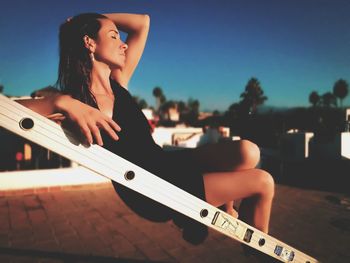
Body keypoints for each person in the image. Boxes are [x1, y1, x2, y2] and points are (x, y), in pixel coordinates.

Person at [18, 13, 274, 247]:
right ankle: (256, 249)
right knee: (263, 181)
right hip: (151, 188)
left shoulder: (118, 82)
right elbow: (9, 109)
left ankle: (222, 208)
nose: (124, 43)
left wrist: (91, 19)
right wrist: (59, 102)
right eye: (114, 36)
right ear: (89, 43)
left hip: (166, 162)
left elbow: (143, 22)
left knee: (248, 152)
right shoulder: (77, 100)